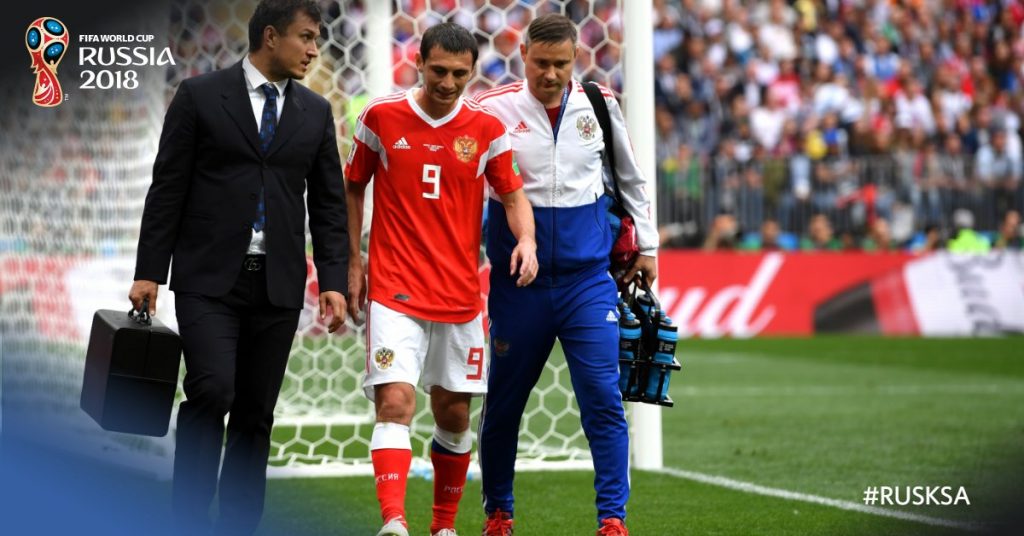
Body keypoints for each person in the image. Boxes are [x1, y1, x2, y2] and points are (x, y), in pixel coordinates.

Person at [128, 1, 349, 533]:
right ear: (270, 36)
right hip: (207, 279)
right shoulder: (199, 96)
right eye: (306, 37)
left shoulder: (316, 111)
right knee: (212, 391)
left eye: (317, 39)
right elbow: (167, 188)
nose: (314, 49)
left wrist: (334, 281)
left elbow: (328, 204)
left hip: (278, 284)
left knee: (256, 413)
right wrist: (149, 271)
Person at [343, 22, 538, 536]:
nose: (448, 83)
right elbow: (353, 186)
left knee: (453, 414)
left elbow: (513, 195)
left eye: (459, 73)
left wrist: (527, 240)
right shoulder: (381, 116)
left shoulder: (486, 129)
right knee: (395, 402)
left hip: (458, 295)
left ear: (472, 71)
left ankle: (443, 526)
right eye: (438, 71)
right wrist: (353, 261)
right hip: (395, 288)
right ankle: (394, 521)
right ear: (419, 63)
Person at [474, 14, 658, 536]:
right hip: (519, 287)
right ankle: (499, 512)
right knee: (504, 402)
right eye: (540, 63)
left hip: (587, 282)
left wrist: (648, 244)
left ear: (576, 57)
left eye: (560, 63)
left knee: (603, 398)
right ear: (522, 55)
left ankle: (613, 519)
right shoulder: (491, 109)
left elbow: (630, 177)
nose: (550, 74)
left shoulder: (599, 104)